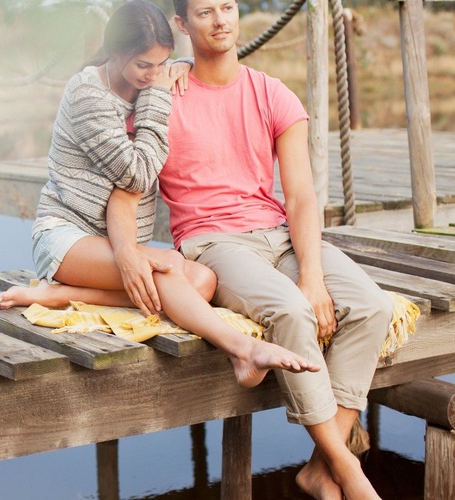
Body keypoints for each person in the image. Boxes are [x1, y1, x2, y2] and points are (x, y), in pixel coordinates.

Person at [0, 0, 319, 389]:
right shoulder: (88, 94)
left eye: (160, 65)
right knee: (167, 266)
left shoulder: (144, 83)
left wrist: (176, 72)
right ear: (115, 52)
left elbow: (162, 90)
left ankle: (62, 295)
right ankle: (242, 349)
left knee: (201, 281)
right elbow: (138, 173)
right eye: (143, 66)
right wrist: (158, 98)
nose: (152, 76)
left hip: (117, 242)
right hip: (66, 237)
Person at [152, 0, 392, 497]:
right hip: (212, 241)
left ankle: (320, 467)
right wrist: (161, 74)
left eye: (228, 6)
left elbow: (302, 195)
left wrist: (311, 273)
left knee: (372, 305)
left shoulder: (273, 94)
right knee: (291, 311)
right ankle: (348, 469)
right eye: (203, 12)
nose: (220, 20)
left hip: (276, 233)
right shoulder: (164, 95)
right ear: (181, 24)